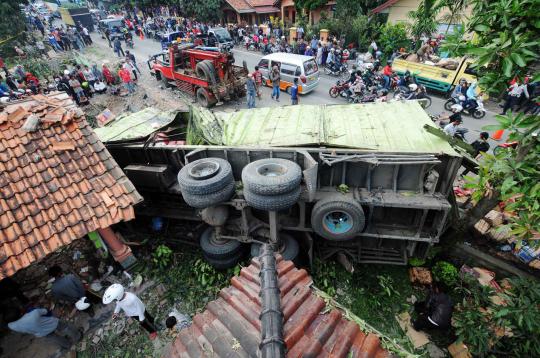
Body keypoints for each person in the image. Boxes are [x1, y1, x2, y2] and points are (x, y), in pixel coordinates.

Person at [5, 307, 81, 349]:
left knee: (55, 338)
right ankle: (77, 336)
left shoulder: (11, 326)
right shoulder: (33, 314)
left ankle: (67, 345)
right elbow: (46, 311)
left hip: (41, 332)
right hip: (51, 323)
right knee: (65, 328)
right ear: (21, 312)